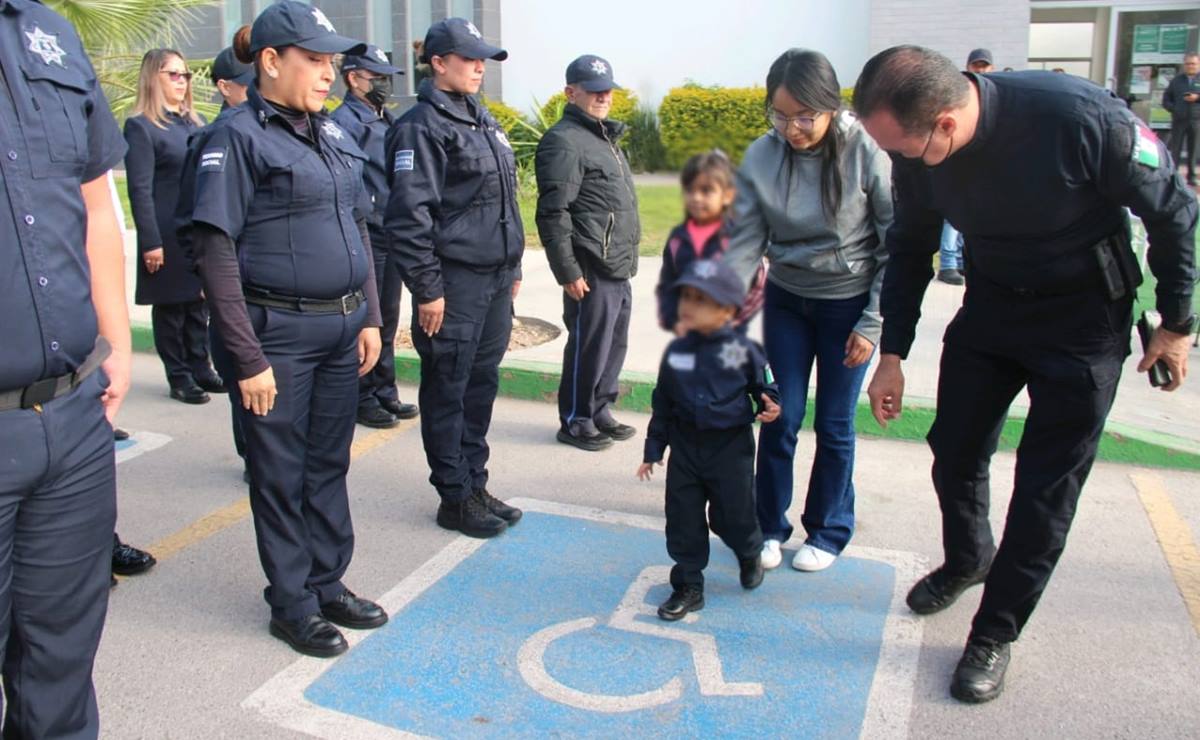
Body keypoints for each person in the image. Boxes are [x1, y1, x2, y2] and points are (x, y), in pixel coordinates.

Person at [854, 45, 1197, 703]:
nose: (896, 160)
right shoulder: (916, 150)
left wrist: (1177, 322)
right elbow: (912, 245)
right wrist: (892, 352)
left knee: (1046, 489)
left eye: (902, 148)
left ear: (945, 123)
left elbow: (1175, 210)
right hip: (992, 308)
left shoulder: (1080, 118)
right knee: (955, 448)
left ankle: (995, 631)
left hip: (1083, 321)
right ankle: (969, 559)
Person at [189, 2, 389, 658]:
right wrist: (247, 358)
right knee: (279, 472)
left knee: (329, 462)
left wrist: (371, 316)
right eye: (315, 59)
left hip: (340, 329)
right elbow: (215, 252)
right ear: (271, 61)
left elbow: (357, 224)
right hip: (276, 335)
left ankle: (327, 582)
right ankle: (293, 602)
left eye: (332, 61)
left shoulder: (328, 132)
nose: (329, 73)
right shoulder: (237, 137)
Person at [0, 0, 132, 734]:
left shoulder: (45, 31)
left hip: (73, 416)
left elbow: (93, 199)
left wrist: (115, 343)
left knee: (61, 662)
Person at [724, 48, 892, 574]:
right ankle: (769, 526)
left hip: (848, 305)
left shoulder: (865, 150)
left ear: (830, 106)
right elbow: (746, 237)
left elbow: (896, 245)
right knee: (781, 413)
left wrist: (873, 321)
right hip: (788, 300)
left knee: (835, 423)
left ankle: (829, 529)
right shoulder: (763, 154)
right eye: (780, 115)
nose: (791, 128)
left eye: (804, 116)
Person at [384, 17, 524, 539]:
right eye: (469, 58)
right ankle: (454, 496)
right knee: (449, 387)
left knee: (480, 385)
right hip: (454, 282)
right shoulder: (420, 126)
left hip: (493, 280)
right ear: (438, 63)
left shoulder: (480, 119)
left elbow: (504, 202)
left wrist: (512, 266)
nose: (479, 67)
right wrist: (428, 289)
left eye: (482, 59)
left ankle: (475, 484)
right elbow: (409, 217)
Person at [638, 260, 780, 621]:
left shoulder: (740, 350)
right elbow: (663, 404)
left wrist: (770, 401)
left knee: (733, 515)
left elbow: (764, 385)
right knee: (682, 518)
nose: (689, 306)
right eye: (686, 297)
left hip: (730, 449)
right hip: (686, 448)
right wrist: (654, 449)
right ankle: (688, 584)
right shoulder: (677, 354)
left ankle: (748, 551)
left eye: (700, 299)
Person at [535, 54, 641, 452]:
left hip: (617, 264)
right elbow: (553, 211)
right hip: (589, 266)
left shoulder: (604, 139)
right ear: (571, 92)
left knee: (613, 344)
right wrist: (568, 270)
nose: (603, 97)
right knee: (589, 347)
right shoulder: (563, 141)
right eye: (594, 90)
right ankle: (577, 419)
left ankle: (599, 409)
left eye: (607, 90)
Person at [175, 41, 256, 482]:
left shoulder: (268, 131)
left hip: (267, 281)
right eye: (246, 83)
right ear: (225, 88)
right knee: (246, 377)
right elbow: (192, 222)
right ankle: (253, 456)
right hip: (236, 280)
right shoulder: (217, 137)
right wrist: (210, 279)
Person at [124, 48, 222, 405]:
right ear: (154, 77)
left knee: (198, 304)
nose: (182, 81)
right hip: (164, 230)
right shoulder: (142, 126)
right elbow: (139, 189)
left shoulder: (195, 123)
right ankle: (179, 376)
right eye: (174, 74)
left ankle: (201, 367)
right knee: (171, 307)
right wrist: (150, 241)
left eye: (186, 75)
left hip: (193, 228)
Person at [332, 44, 419, 429]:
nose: (384, 84)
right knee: (369, 317)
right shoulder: (345, 122)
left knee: (388, 315)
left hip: (392, 228)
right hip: (368, 230)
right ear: (353, 78)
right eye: (377, 77)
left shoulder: (385, 118)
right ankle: (363, 395)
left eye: (387, 78)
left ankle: (385, 389)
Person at [655, 150, 765, 335]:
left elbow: (758, 285)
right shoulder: (677, 240)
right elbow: (667, 285)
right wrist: (673, 321)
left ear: (728, 195)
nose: (696, 197)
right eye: (690, 190)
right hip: (688, 333)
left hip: (728, 335)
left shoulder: (738, 238)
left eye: (706, 191)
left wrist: (732, 320)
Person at [937, 49, 994, 286]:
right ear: (968, 66)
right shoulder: (958, 94)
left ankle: (960, 261)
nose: (980, 69)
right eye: (976, 65)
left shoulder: (993, 95)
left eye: (984, 65)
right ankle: (948, 264)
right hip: (958, 165)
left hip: (983, 169)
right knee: (953, 219)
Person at [1163, 52, 1199, 186]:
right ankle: (1173, 176)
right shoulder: (1176, 81)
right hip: (1179, 120)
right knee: (1175, 149)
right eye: (1188, 64)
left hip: (1196, 120)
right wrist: (1174, 109)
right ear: (1184, 65)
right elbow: (1166, 99)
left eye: (1193, 64)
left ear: (1198, 64)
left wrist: (1197, 98)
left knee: (1193, 149)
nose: (1190, 66)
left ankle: (1192, 177)